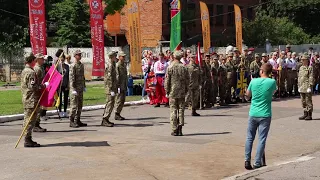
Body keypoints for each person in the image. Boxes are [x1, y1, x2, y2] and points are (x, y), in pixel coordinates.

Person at [244, 63, 277, 170]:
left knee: (249, 138)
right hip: (265, 114)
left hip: (253, 113)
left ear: (262, 71)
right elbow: (273, 92)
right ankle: (257, 162)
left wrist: (247, 93)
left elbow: (248, 95)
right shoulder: (272, 82)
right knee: (261, 139)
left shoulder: (253, 81)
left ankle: (247, 160)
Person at [21, 53, 49, 147]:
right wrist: (44, 86)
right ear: (32, 61)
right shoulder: (31, 72)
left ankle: (28, 138)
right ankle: (27, 140)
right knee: (30, 120)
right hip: (31, 99)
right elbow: (33, 87)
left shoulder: (25, 70)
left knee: (27, 119)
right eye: (34, 60)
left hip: (27, 98)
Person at [165, 51, 189, 136]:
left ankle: (174, 129)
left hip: (173, 92)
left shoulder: (170, 67)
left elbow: (167, 81)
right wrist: (186, 90)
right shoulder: (184, 67)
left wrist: (167, 91)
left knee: (173, 110)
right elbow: (187, 80)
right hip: (182, 92)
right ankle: (180, 127)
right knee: (181, 110)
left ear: (174, 57)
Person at [69, 50, 87, 128]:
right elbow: (71, 78)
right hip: (75, 89)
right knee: (74, 106)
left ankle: (77, 120)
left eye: (80, 55)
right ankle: (71, 121)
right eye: (78, 55)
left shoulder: (81, 65)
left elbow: (83, 76)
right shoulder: (73, 66)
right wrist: (73, 89)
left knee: (80, 105)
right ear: (75, 56)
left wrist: (84, 86)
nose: (80, 56)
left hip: (80, 88)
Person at [102, 51, 118, 127]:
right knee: (109, 103)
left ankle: (106, 119)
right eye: (115, 55)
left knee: (111, 103)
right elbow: (109, 78)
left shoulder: (113, 64)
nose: (116, 57)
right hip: (109, 88)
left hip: (112, 87)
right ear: (112, 57)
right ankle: (105, 119)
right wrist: (111, 89)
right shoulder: (109, 65)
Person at [33, 53, 47, 132]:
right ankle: (35, 125)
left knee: (39, 109)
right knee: (36, 110)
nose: (43, 60)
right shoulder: (37, 69)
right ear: (37, 59)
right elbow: (36, 82)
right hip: (37, 92)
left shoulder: (40, 68)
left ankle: (37, 124)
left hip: (40, 90)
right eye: (41, 59)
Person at [298, 55, 314, 120]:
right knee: (303, 101)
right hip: (301, 86)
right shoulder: (301, 68)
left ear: (307, 60)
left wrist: (310, 86)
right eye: (302, 60)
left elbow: (311, 77)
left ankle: (309, 114)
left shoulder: (310, 67)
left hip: (307, 86)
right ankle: (305, 113)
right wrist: (298, 86)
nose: (302, 61)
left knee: (308, 100)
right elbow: (299, 77)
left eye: (304, 60)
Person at [115, 51, 128, 120]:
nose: (124, 57)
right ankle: (116, 113)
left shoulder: (124, 65)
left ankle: (118, 113)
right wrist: (118, 86)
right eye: (122, 56)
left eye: (124, 56)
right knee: (119, 100)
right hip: (119, 85)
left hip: (124, 85)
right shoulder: (117, 65)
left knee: (122, 100)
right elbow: (117, 76)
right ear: (119, 57)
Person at [58, 53, 70, 117]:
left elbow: (68, 76)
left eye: (63, 59)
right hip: (59, 85)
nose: (62, 60)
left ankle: (65, 111)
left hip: (65, 84)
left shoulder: (67, 66)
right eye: (61, 58)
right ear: (59, 59)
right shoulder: (57, 66)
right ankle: (60, 111)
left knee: (65, 98)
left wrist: (68, 84)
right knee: (59, 99)